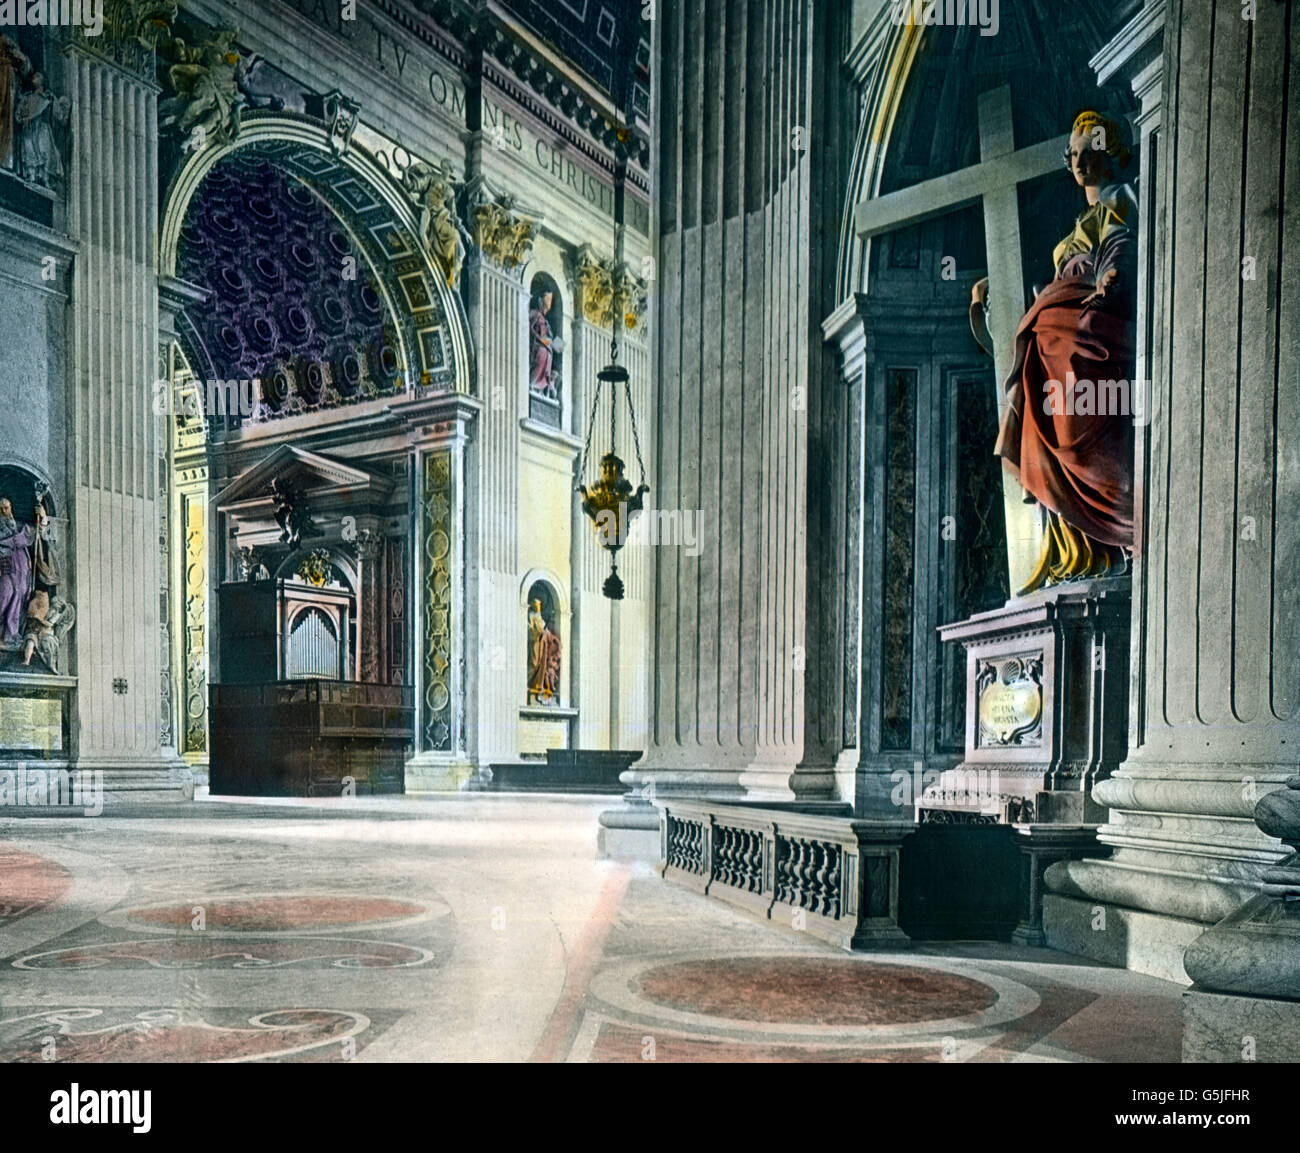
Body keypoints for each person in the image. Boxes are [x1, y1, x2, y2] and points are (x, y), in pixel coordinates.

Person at [975, 109, 1137, 595]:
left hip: (1094, 324)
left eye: (1091, 148)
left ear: (1110, 153)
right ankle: (1073, 546)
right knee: (1035, 397)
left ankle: (1115, 520)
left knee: (1070, 402)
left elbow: (1122, 251)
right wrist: (999, 302)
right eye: (1074, 152)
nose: (1080, 159)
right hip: (1056, 324)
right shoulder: (1075, 226)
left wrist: (1108, 275)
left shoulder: (1122, 201)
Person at [0, 494, 44, 645]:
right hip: (5, 567)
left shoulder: (19, 526)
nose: (3, 511)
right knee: (6, 594)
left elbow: (39, 532)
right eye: (0, 509)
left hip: (22, 568)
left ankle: (11, 634)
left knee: (19, 596)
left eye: (6, 508)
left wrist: (42, 516)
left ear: (11, 508)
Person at [529, 291, 558, 397]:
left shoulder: (547, 322)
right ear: (541, 301)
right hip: (538, 346)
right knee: (541, 355)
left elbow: (549, 337)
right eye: (547, 300)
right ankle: (532, 383)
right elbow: (529, 327)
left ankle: (544, 389)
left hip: (548, 348)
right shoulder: (535, 314)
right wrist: (539, 338)